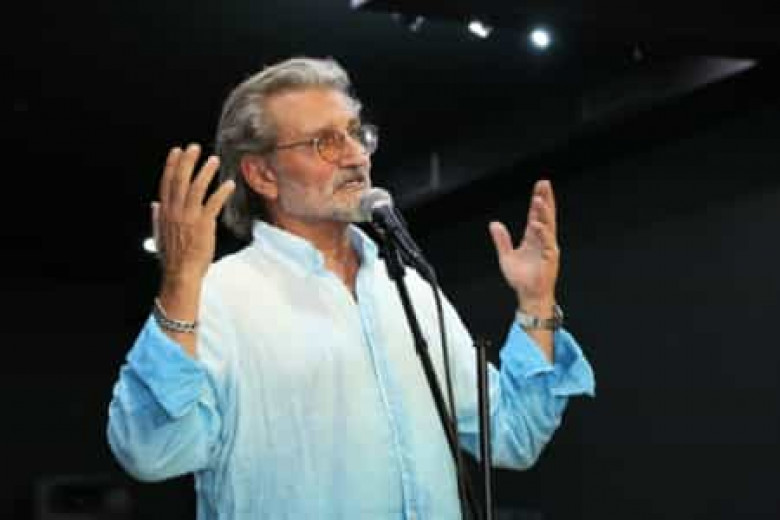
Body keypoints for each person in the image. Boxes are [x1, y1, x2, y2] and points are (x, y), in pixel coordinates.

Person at [106, 57, 595, 520]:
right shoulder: (219, 296)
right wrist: (179, 283)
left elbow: (511, 435)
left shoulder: (410, 288)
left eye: (356, 134)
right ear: (262, 175)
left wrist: (535, 303)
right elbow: (151, 452)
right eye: (324, 142)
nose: (356, 156)